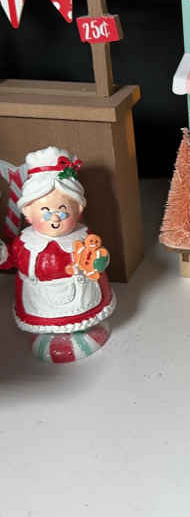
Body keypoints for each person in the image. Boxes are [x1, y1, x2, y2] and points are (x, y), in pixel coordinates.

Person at [0, 146, 115, 363]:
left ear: (78, 210)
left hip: (81, 296)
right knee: (46, 319)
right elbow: (12, 260)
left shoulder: (83, 237)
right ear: (28, 213)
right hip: (39, 299)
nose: (55, 218)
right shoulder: (25, 242)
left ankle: (83, 332)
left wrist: (99, 262)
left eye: (63, 210)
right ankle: (50, 336)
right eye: (45, 211)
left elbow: (97, 257)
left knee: (83, 314)